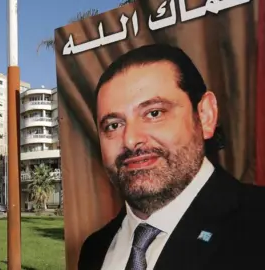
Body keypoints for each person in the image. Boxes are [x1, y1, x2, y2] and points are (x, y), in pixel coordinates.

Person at [78, 44, 265, 270]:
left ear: (205, 116)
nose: (129, 139)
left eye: (154, 113)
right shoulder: (95, 249)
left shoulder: (256, 227)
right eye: (113, 125)